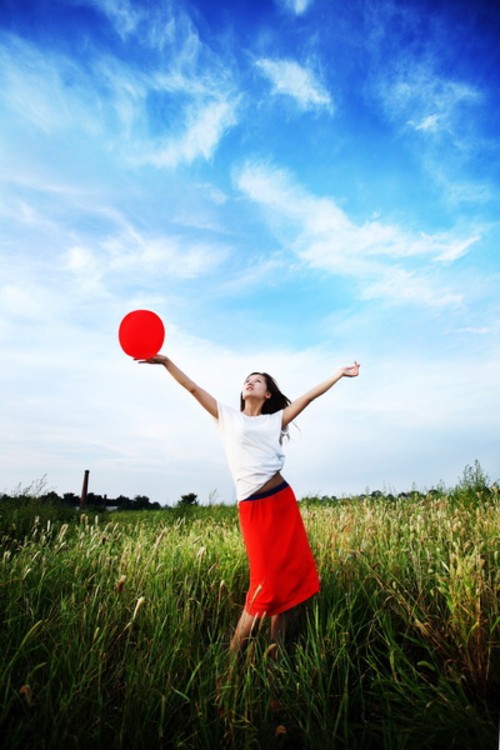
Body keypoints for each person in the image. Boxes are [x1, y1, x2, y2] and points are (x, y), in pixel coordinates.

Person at [139, 354, 360, 656]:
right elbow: (192, 388)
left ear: (267, 393)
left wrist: (338, 374)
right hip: (254, 509)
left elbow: (308, 397)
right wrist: (166, 363)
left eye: (257, 380)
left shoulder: (274, 420)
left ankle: (276, 657)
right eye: (247, 379)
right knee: (263, 584)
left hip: (282, 502)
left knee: (285, 581)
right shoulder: (228, 417)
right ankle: (232, 660)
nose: (249, 382)